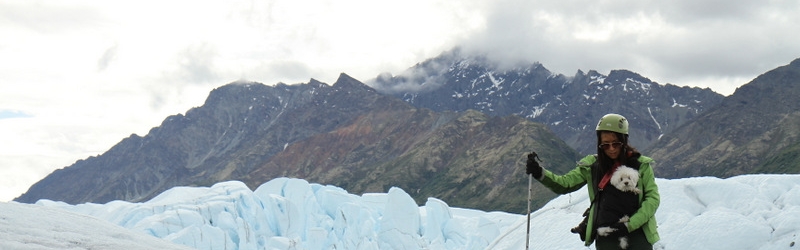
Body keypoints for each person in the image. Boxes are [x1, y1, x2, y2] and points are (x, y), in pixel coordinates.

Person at [526, 113, 660, 249]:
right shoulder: (592, 166)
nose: (611, 148)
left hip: (638, 234)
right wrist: (539, 172)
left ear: (624, 141)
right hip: (606, 235)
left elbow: (652, 199)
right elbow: (565, 184)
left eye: (616, 144)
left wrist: (630, 224)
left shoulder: (642, 165)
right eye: (605, 145)